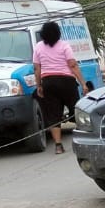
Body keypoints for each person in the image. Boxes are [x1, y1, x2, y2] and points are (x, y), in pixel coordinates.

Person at [32, 21, 88, 155]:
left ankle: (58, 146)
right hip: (66, 82)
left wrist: (39, 85)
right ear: (58, 33)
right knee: (76, 110)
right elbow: (73, 65)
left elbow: (37, 69)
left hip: (48, 82)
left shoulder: (38, 47)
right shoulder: (64, 46)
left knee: (53, 114)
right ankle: (85, 141)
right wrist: (83, 83)